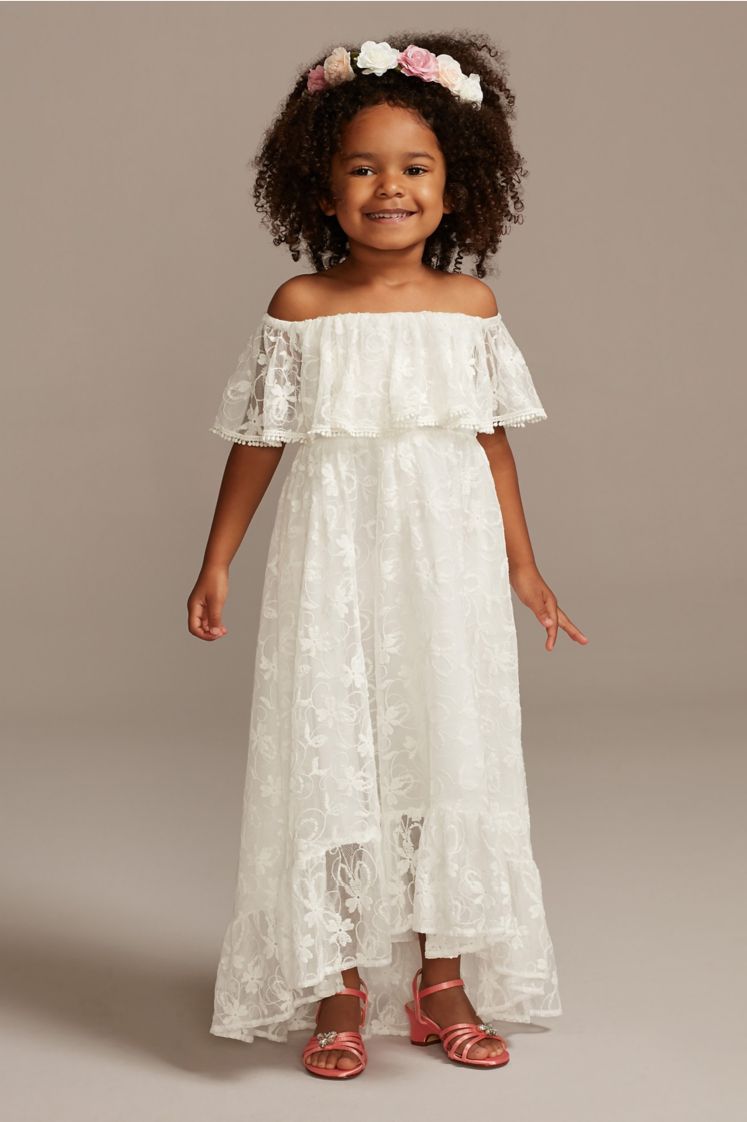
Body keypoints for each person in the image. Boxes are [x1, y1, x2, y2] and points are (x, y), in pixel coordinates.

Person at [188, 32, 588, 1081]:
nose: (388, 189)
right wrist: (218, 559)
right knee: (336, 750)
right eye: (362, 169)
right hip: (333, 573)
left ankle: (443, 976)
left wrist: (524, 566)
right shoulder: (302, 311)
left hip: (446, 569)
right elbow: (260, 442)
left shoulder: (472, 310)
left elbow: (490, 443)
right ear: (321, 190)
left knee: (448, 745)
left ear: (455, 189)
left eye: (414, 169)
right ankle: (335, 981)